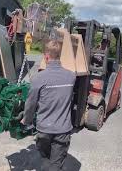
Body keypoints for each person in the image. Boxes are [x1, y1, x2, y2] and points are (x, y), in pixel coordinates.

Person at [21, 39, 76, 171]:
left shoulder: (38, 78)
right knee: (56, 163)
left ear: (46, 56)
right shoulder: (71, 76)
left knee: (47, 160)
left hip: (44, 130)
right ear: (59, 55)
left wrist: (26, 120)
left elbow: (31, 104)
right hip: (63, 130)